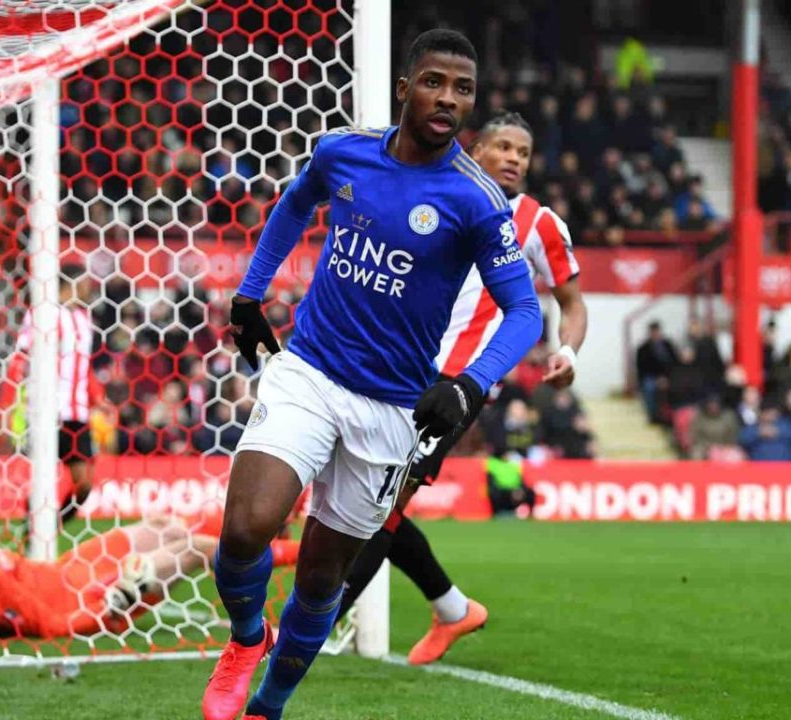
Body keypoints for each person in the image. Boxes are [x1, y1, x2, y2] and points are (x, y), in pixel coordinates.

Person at [204, 30, 542, 720]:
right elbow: (296, 203)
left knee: (324, 578)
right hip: (310, 370)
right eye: (434, 82)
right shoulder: (343, 152)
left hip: (392, 410)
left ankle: (267, 708)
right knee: (246, 529)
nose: (448, 98)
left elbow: (525, 312)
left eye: (463, 88)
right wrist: (250, 293)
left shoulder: (477, 199)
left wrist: (470, 384)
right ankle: (246, 638)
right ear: (404, 87)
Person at [334, 108, 588, 667]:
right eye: (504, 148)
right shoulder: (441, 198)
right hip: (397, 368)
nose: (515, 160)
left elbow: (573, 303)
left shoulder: (537, 222)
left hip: (458, 385)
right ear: (477, 149)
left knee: (383, 505)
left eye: (523, 152)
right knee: (371, 500)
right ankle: (452, 609)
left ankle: (307, 630)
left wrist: (567, 349)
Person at [0, 478, 300, 639]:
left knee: (166, 526)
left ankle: (274, 533)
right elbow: (44, 623)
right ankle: (297, 557)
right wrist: (101, 609)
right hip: (88, 597)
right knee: (194, 548)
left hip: (69, 571)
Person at [3, 264, 96, 523]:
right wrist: (8, 404)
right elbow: (19, 359)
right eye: (85, 283)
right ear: (72, 285)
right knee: (42, 484)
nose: (90, 289)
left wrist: (98, 398)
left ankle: (50, 527)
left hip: (77, 413)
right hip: (47, 411)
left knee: (85, 483)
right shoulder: (42, 314)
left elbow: (84, 365)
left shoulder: (84, 318)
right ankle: (34, 534)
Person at [636, 320, 675, 423]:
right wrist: (658, 379)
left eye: (657, 331)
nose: (655, 334)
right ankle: (653, 416)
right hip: (651, 377)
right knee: (649, 388)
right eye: (653, 332)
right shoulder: (643, 349)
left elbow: (674, 363)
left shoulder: (668, 345)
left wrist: (666, 378)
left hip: (668, 377)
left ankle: (671, 416)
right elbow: (642, 369)